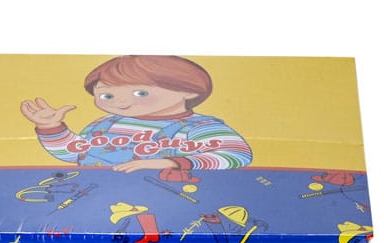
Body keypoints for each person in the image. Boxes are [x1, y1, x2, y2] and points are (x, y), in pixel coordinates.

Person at [21, 55, 253, 172]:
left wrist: (170, 163)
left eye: (141, 93)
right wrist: (51, 128)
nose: (120, 101)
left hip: (166, 199)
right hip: (96, 196)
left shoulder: (200, 127)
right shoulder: (105, 124)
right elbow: (74, 154)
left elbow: (236, 155)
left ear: (188, 90)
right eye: (107, 95)